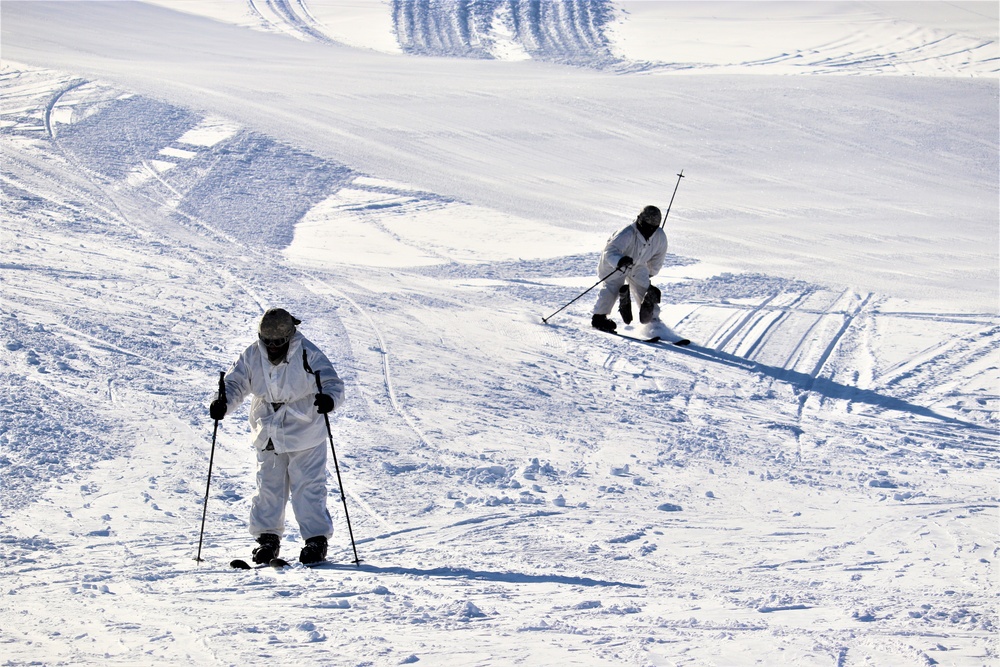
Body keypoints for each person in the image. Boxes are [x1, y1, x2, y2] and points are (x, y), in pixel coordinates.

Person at [209, 308, 345, 565]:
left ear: (289, 336)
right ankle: (267, 539)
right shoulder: (252, 354)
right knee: (268, 486)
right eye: (267, 342)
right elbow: (235, 383)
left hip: (304, 429)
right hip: (268, 429)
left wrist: (329, 399)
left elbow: (331, 382)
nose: (272, 348)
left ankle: (316, 541)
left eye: (278, 342)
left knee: (308, 486)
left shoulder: (307, 352)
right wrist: (222, 402)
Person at [591, 205, 682, 342]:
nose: (650, 230)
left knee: (645, 288)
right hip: (616, 264)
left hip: (638, 264)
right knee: (613, 287)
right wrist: (619, 261)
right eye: (647, 225)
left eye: (653, 227)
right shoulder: (627, 233)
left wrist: (650, 273)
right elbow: (609, 251)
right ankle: (599, 318)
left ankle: (653, 323)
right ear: (639, 220)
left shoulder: (660, 237)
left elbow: (657, 259)